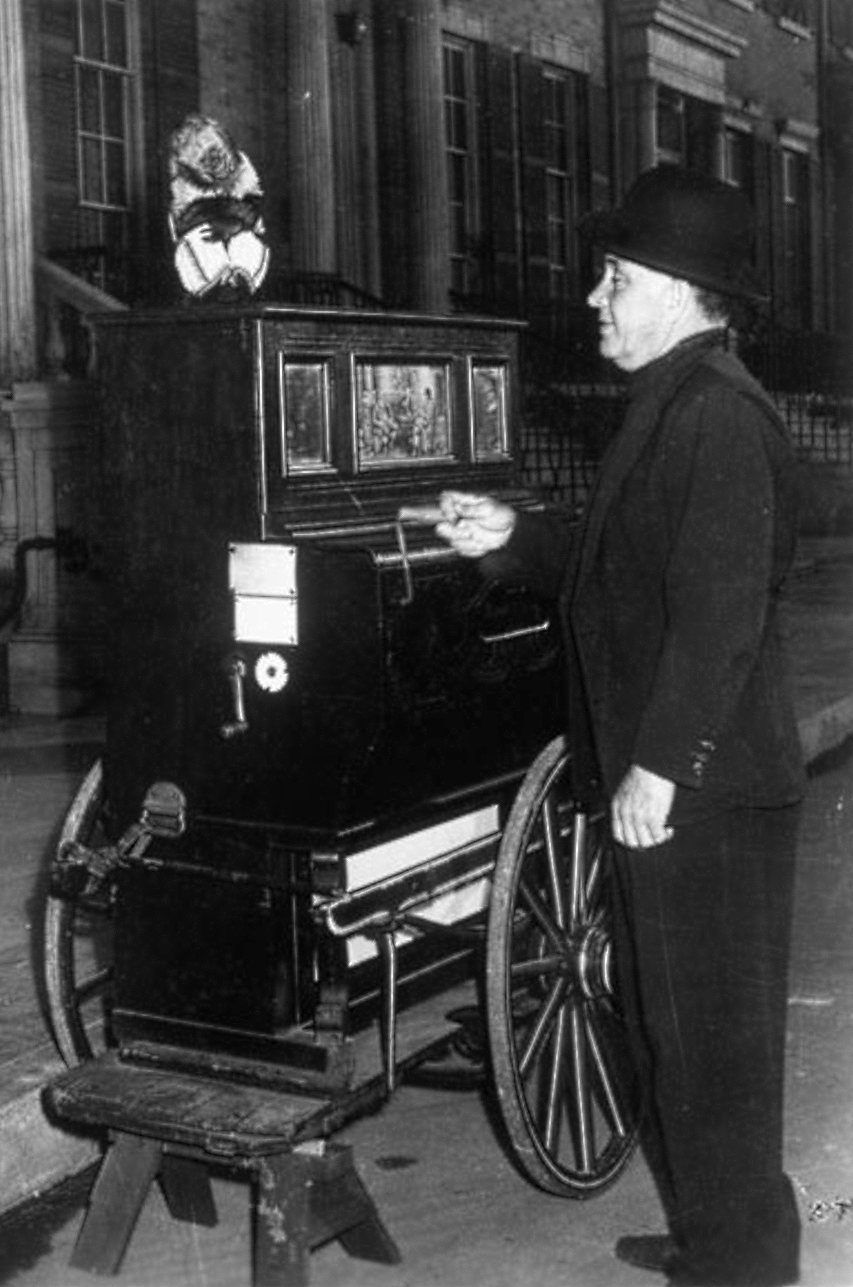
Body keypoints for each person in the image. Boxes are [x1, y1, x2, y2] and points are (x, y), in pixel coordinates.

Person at [434, 166, 803, 1286]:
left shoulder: (717, 415)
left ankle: (744, 1267)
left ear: (682, 294)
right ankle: (719, 1245)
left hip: (705, 794)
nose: (595, 297)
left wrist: (660, 766)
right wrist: (510, 536)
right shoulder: (672, 399)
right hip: (686, 788)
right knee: (669, 1031)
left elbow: (719, 615)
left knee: (713, 1054)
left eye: (616, 278)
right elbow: (621, 568)